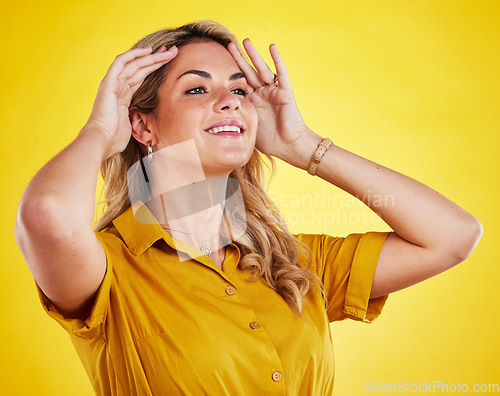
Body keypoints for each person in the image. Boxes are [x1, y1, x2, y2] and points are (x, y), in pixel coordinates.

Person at [15, 20, 482, 395]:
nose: (229, 102)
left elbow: (452, 236)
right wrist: (100, 128)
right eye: (198, 90)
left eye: (239, 90)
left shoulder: (295, 265)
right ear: (142, 125)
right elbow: (48, 216)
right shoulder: (106, 272)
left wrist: (305, 146)